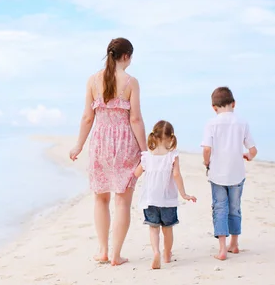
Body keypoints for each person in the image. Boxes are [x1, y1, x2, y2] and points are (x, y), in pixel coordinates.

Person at [69, 37, 146, 266]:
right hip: (124, 144)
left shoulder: (93, 81)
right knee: (122, 201)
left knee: (100, 199)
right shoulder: (131, 82)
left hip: (100, 142)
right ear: (126, 56)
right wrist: (145, 151)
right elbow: (135, 118)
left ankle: (103, 251)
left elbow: (87, 117)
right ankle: (116, 255)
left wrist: (79, 145)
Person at [201, 87, 257, 261]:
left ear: (214, 107)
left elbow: (207, 149)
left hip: (217, 173)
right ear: (234, 103)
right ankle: (234, 243)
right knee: (235, 208)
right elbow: (253, 150)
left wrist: (207, 162)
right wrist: (248, 156)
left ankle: (222, 249)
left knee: (219, 208)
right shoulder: (242, 122)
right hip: (237, 174)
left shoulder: (211, 123)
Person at [134, 120, 196, 269]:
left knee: (153, 228)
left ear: (154, 137)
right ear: (171, 138)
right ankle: (167, 254)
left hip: (150, 200)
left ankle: (156, 252)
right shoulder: (172, 156)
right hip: (168, 200)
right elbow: (176, 175)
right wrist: (183, 193)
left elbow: (136, 174)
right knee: (167, 229)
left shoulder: (147, 157)